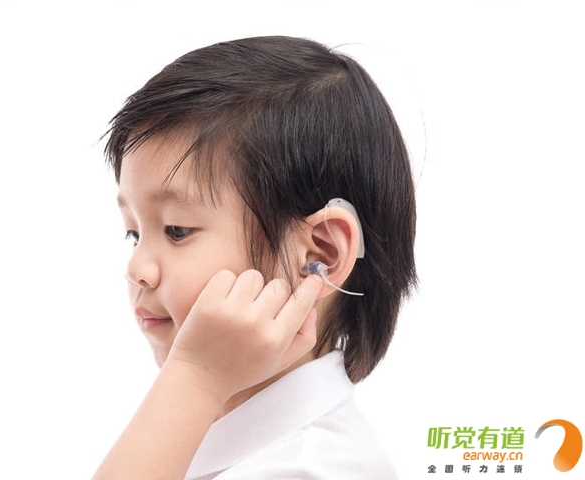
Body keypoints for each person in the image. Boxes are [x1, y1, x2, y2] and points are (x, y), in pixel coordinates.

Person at [93, 35, 416, 480]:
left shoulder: (311, 470)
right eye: (134, 234)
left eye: (177, 230)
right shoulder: (195, 441)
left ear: (320, 255)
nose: (137, 270)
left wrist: (195, 378)